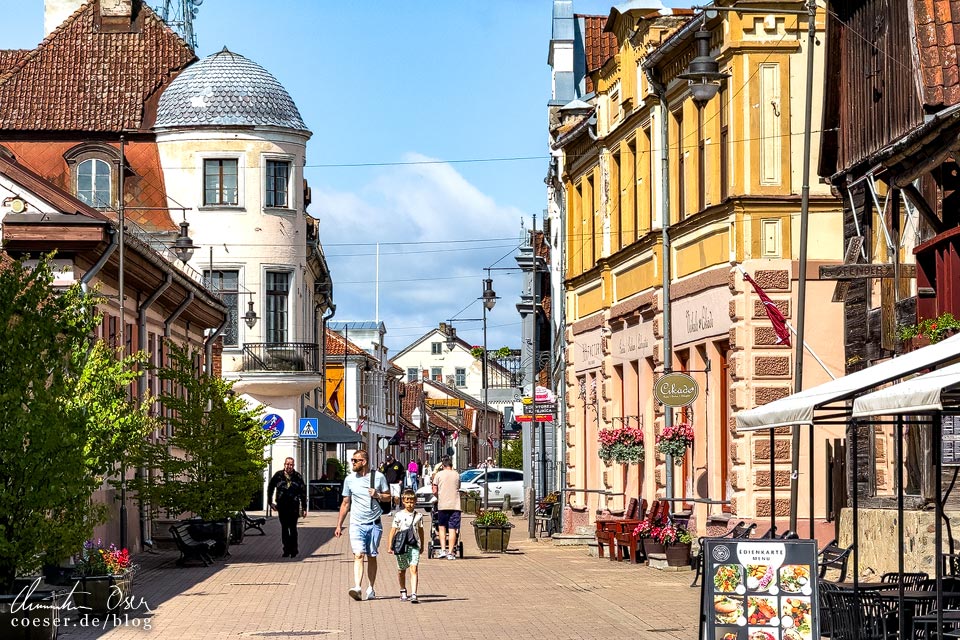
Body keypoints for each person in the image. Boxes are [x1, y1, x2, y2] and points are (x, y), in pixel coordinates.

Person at [335, 449, 390, 601]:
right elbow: (345, 503)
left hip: (374, 524)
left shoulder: (378, 477)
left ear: (363, 462)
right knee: (358, 554)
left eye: (355, 460)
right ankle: (357, 587)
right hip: (356, 523)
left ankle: (371, 588)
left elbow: (388, 497)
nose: (352, 462)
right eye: (352, 460)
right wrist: (339, 525)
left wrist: (378, 495)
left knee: (371, 556)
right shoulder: (349, 480)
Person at [387, 488, 425, 603]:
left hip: (413, 545)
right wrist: (390, 546)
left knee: (414, 568)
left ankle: (414, 593)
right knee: (401, 570)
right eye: (407, 501)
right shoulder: (398, 515)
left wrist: (421, 544)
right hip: (401, 545)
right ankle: (403, 590)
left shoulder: (418, 516)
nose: (410, 504)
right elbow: (393, 530)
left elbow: (420, 530)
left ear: (415, 501)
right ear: (403, 502)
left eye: (412, 501)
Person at [267, 457, 307, 558]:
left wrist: (304, 508)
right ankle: (286, 549)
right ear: (284, 464)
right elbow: (270, 487)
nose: (289, 466)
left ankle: (294, 550)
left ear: (293, 466)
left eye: (291, 465)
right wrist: (270, 502)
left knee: (293, 528)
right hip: (282, 505)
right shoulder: (278, 475)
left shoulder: (297, 476)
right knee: (284, 528)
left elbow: (303, 492)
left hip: (293, 505)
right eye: (287, 464)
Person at [431, 456, 461, 560]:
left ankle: (443, 550)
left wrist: (439, 496)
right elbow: (459, 487)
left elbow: (434, 490)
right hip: (455, 505)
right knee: (453, 528)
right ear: (451, 465)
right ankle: (450, 552)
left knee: (442, 527)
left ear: (443, 466)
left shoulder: (439, 475)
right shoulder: (457, 475)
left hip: (442, 505)